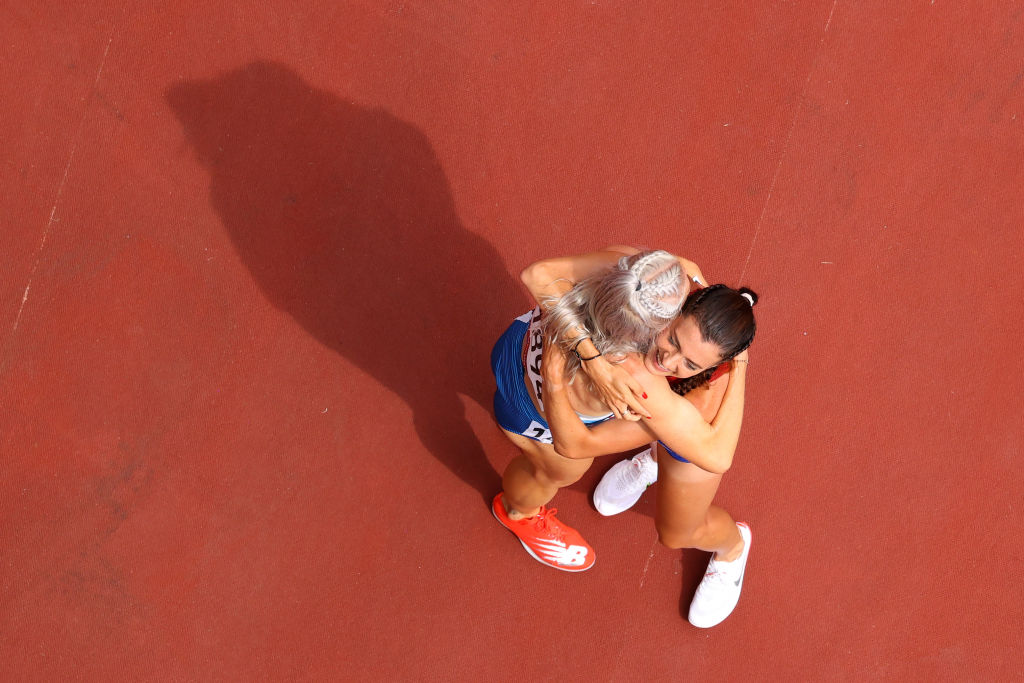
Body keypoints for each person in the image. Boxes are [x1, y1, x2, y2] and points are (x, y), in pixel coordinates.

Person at [490, 246, 756, 615]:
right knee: (561, 469)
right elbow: (574, 445)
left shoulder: (650, 276)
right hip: (538, 404)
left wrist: (739, 364)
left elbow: (717, 454)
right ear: (679, 307)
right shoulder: (641, 366)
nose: (669, 360)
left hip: (520, 349)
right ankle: (518, 512)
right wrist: (585, 365)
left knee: (677, 532)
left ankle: (732, 548)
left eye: (690, 363)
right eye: (673, 340)